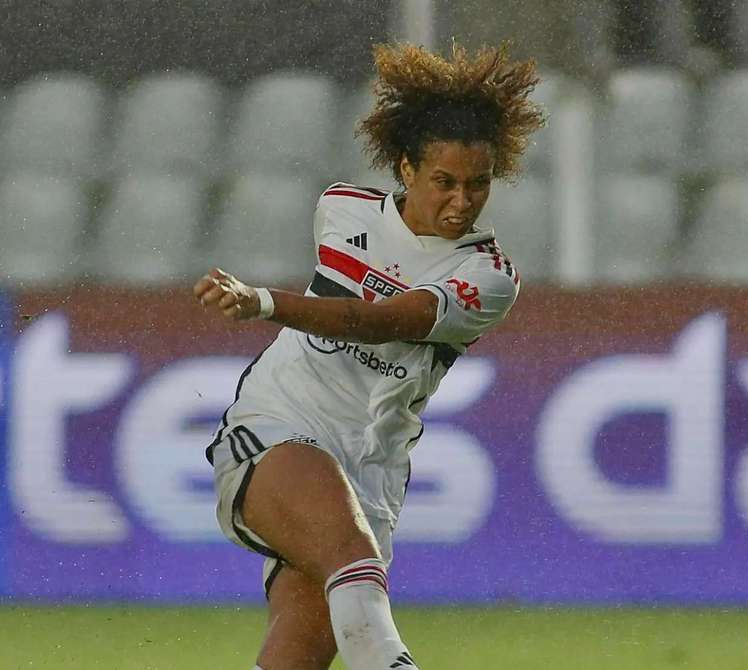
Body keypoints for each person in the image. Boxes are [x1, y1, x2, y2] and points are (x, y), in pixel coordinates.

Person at [194, 42, 544, 670]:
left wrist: (265, 302)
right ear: (406, 169)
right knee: (353, 566)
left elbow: (379, 321)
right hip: (278, 426)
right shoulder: (343, 207)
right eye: (444, 182)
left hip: (371, 472)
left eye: (478, 184)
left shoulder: (488, 276)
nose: (462, 202)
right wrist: (270, 308)